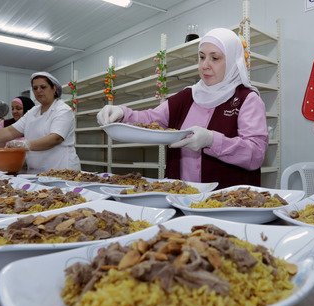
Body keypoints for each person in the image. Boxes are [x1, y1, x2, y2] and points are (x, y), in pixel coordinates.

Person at [97, 27, 268, 189]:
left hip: (228, 204)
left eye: (214, 58)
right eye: (202, 57)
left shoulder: (247, 99)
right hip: (181, 198)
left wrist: (212, 140)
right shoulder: (187, 96)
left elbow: (256, 154)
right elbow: (151, 120)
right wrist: (122, 114)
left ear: (232, 61)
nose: (204, 65)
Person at [0, 72, 80, 172]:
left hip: (61, 169)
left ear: (54, 89)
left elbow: (55, 138)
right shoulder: (33, 112)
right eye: (35, 88)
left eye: (43, 87)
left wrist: (25, 144)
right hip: (36, 171)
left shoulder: (63, 110)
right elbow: (11, 131)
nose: (38, 90)